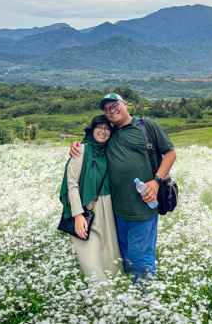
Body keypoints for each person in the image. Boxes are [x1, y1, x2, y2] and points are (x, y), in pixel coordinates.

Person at [70, 93, 176, 282]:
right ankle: (130, 297)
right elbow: (93, 140)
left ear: (126, 105)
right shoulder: (110, 133)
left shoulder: (146, 126)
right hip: (116, 213)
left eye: (115, 105)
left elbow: (170, 153)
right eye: (107, 109)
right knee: (124, 258)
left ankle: (145, 302)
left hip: (143, 208)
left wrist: (156, 181)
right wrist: (76, 146)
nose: (112, 110)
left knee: (140, 258)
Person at [59, 115, 122, 283]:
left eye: (107, 128)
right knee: (90, 261)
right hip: (86, 211)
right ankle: (100, 298)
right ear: (92, 130)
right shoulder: (81, 151)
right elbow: (71, 185)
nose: (103, 131)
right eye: (99, 127)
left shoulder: (112, 152)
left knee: (110, 258)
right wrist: (78, 216)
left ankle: (115, 299)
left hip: (108, 210)